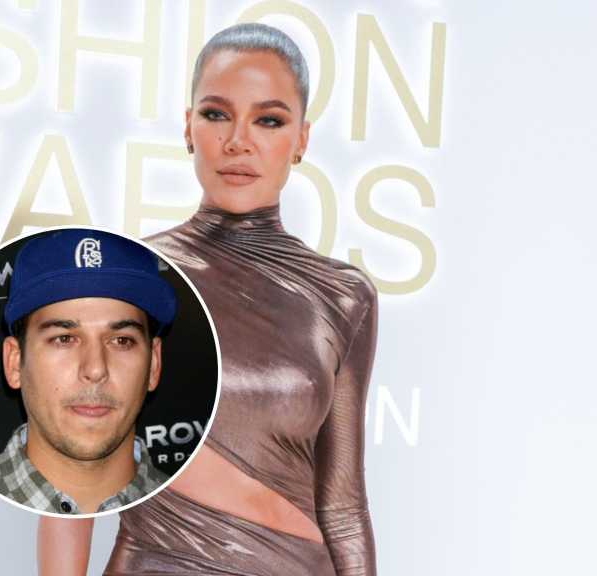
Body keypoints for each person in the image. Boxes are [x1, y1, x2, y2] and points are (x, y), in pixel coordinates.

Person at [38, 22, 379, 574]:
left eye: (269, 120)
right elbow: (71, 481)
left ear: (301, 140)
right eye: (217, 114)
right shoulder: (126, 276)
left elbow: (342, 507)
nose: (238, 141)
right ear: (188, 127)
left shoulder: (343, 297)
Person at [0, 228, 176, 514]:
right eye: (64, 339)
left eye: (121, 341)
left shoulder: (205, 522)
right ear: (15, 362)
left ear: (153, 364)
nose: (95, 369)